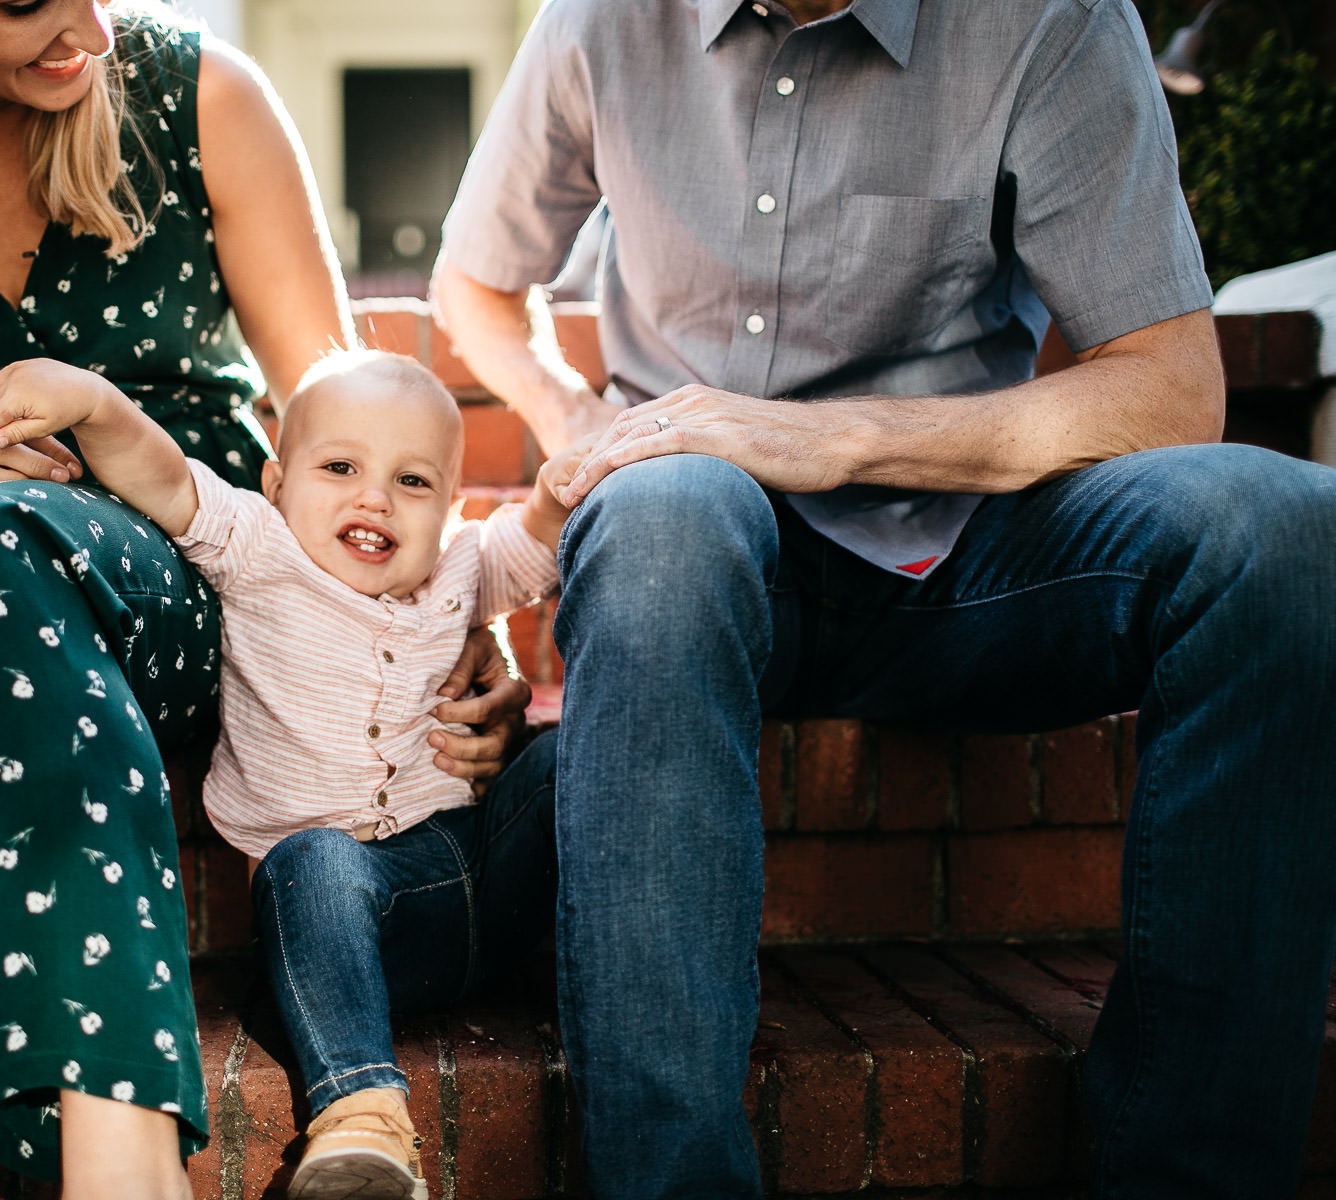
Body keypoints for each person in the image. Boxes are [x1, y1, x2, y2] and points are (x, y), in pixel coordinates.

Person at [431, 1, 1336, 1197]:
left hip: (973, 550)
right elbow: (474, 287)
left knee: (1287, 532)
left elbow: (1170, 390)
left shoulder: (1051, 19)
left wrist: (835, 437)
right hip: (697, 558)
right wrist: (590, 431)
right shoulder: (601, 18)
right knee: (656, 521)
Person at [0, 2, 529, 1195]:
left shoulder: (200, 99)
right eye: (29, 0)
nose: (87, 27)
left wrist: (456, 618)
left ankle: (117, 1141)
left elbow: (356, 424)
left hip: (163, 592)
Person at [0, 348, 576, 1199]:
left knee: (575, 747)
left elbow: (540, 537)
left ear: (450, 509)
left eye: (413, 482)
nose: (374, 498)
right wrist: (95, 405)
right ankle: (362, 1120)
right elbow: (167, 477)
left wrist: (558, 486)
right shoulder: (257, 547)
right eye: (341, 467)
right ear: (276, 483)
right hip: (359, 924)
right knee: (309, 862)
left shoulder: (463, 566)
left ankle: (616, 988)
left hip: (483, 877)